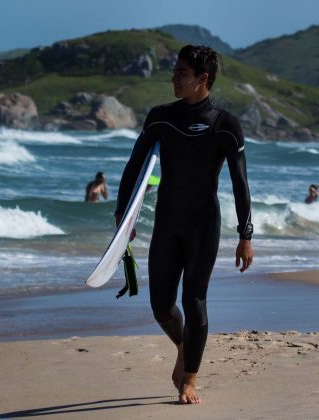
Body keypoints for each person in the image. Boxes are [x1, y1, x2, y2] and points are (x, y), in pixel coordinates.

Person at [114, 45, 254, 404]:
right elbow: (134, 167)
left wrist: (245, 235)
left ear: (202, 79)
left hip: (203, 224)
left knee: (195, 300)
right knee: (161, 306)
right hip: (167, 223)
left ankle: (189, 379)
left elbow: (240, 183)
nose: (174, 79)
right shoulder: (161, 117)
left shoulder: (226, 125)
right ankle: (183, 345)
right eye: (174, 72)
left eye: (182, 73)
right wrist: (122, 218)